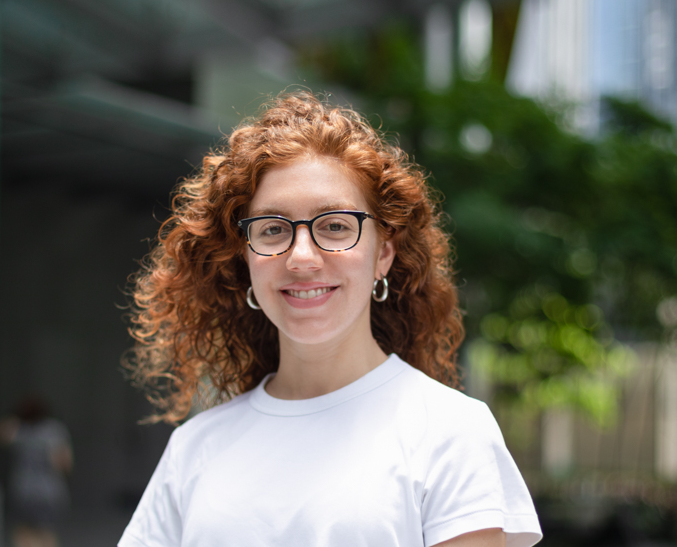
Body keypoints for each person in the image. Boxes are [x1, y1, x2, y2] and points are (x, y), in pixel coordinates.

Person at [119, 91, 542, 547]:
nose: (301, 257)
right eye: (273, 229)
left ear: (383, 253)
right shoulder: (195, 448)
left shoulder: (450, 432)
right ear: (245, 258)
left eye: (335, 225)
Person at [0, 395, 73, 547]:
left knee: (23, 533)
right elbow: (63, 463)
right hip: (48, 491)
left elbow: (2, 434)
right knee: (46, 533)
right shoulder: (53, 431)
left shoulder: (20, 431)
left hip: (22, 489)